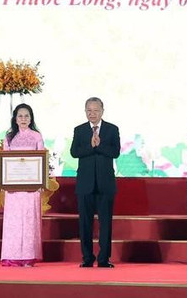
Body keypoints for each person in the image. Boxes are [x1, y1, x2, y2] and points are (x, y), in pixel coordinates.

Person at [70, 97, 120, 268]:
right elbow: (74, 152)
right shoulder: (79, 130)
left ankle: (104, 259)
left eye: (96, 110)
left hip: (106, 184)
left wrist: (99, 146)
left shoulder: (112, 129)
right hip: (85, 184)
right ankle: (87, 258)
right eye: (89, 110)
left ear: (102, 111)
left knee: (105, 223)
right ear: (85, 111)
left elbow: (115, 152)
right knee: (85, 223)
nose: (92, 114)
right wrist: (90, 147)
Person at [0, 103, 46, 266]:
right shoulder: (9, 137)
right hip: (13, 188)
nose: (23, 119)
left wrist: (39, 181)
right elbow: (4, 162)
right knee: (13, 222)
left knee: (29, 221)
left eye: (27, 116)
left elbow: (41, 159)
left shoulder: (37, 136)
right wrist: (5, 182)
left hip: (31, 187)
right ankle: (11, 256)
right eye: (20, 116)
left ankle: (29, 256)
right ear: (15, 119)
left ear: (31, 118)